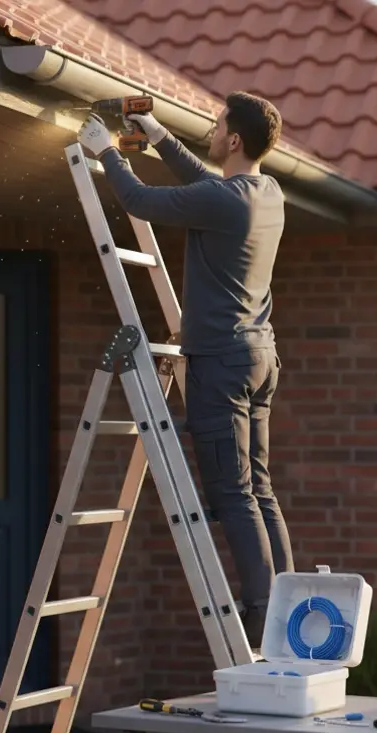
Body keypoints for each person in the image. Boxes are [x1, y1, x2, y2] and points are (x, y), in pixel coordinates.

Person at [77, 93, 290, 648]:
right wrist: (158, 137)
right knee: (259, 489)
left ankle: (266, 622)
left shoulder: (223, 200)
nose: (212, 128)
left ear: (235, 140)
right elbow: (208, 185)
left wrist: (107, 153)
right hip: (258, 357)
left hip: (221, 363)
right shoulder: (266, 192)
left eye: (219, 124)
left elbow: (140, 200)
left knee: (234, 494)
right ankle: (289, 609)